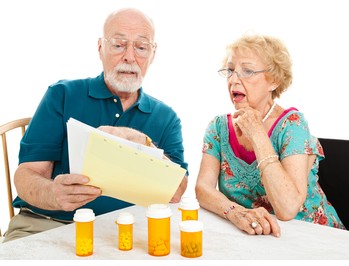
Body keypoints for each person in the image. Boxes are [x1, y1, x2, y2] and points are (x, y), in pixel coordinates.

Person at [3, 8, 188, 242]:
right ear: (101, 48)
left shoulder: (166, 117)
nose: (130, 57)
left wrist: (145, 143)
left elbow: (177, 193)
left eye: (141, 47)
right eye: (119, 44)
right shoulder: (62, 95)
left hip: (122, 234)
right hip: (47, 225)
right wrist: (53, 194)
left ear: (153, 53)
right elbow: (26, 175)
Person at [195, 34, 346, 237]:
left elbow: (287, 208)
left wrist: (257, 134)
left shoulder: (293, 125)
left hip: (314, 237)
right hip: (257, 238)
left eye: (247, 71)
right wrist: (235, 213)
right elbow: (203, 188)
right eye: (230, 70)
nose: (233, 80)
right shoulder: (217, 127)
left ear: (273, 81)